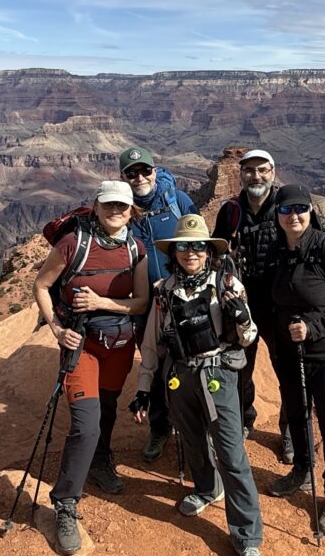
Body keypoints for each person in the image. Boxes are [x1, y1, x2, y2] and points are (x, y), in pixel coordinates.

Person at [130, 214, 263, 556]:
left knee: (231, 452)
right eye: (184, 247)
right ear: (174, 252)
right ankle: (207, 488)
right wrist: (144, 389)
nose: (191, 253)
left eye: (198, 246)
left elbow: (248, 338)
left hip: (217, 373)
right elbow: (151, 345)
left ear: (208, 250)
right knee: (191, 441)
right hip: (180, 375)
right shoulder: (164, 293)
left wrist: (243, 318)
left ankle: (247, 535)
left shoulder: (226, 284)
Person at [211, 148, 325, 462]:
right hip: (243, 306)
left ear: (273, 172)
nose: (256, 176)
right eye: (249, 170)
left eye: (262, 170)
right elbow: (216, 249)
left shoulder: (288, 204)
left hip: (281, 306)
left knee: (288, 371)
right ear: (241, 174)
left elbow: (315, 236)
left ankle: (290, 434)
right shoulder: (230, 211)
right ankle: (245, 417)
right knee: (241, 367)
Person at [33, 180, 150, 555]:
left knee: (109, 407)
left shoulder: (136, 248)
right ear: (97, 207)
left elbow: (141, 302)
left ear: (132, 210)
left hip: (118, 345)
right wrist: (55, 328)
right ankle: (65, 503)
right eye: (109, 206)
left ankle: (100, 461)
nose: (116, 212)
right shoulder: (74, 244)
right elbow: (40, 285)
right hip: (82, 344)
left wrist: (103, 302)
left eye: (122, 206)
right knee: (85, 423)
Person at [265, 184, 325, 536]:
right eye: (285, 209)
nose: (293, 215)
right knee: (295, 416)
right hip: (291, 355)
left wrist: (313, 327)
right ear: (276, 215)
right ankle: (303, 472)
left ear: (310, 211)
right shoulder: (276, 251)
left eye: (300, 208)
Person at [118, 146, 198, 463]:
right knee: (152, 362)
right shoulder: (122, 209)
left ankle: (193, 425)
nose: (139, 178)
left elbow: (198, 243)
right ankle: (160, 427)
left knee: (187, 360)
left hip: (181, 298)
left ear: (154, 171)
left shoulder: (177, 200)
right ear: (123, 177)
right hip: (143, 304)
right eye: (131, 173)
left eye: (144, 171)